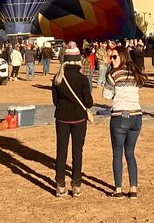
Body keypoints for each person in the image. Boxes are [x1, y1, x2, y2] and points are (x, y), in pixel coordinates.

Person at [103, 46, 146, 198]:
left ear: (121, 56)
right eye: (111, 57)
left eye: (114, 57)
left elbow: (106, 95)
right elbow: (140, 85)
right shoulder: (134, 72)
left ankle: (118, 190)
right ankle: (133, 189)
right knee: (130, 153)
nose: (112, 60)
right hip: (136, 117)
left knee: (117, 154)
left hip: (120, 117)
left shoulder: (113, 74)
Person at [51, 44, 93, 198]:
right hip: (78, 119)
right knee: (77, 152)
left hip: (61, 117)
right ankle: (76, 184)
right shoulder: (82, 78)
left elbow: (55, 101)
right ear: (77, 60)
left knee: (61, 151)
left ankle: (60, 184)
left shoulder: (58, 78)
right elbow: (88, 102)